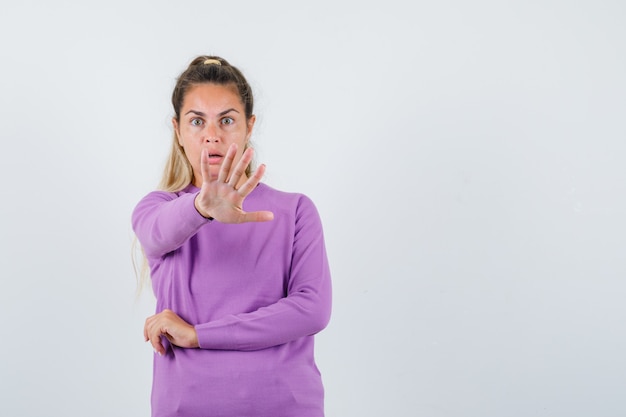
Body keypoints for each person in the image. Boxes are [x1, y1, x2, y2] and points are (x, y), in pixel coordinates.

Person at [131, 55, 332, 417]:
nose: (212, 134)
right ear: (177, 130)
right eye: (197, 121)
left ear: (249, 126)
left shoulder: (295, 210)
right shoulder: (158, 209)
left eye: (227, 120)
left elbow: (311, 310)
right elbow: (156, 234)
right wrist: (202, 208)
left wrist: (198, 335)